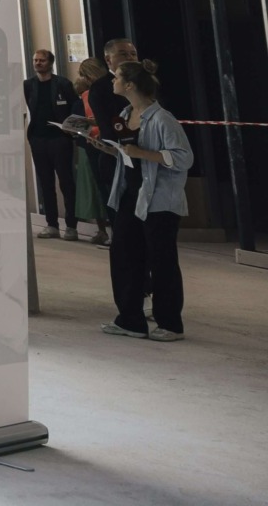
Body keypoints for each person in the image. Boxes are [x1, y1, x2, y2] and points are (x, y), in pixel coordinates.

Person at [98, 61, 193, 341]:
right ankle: (130, 319)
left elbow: (184, 158)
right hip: (131, 195)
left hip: (159, 199)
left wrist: (143, 153)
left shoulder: (163, 119)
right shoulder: (125, 114)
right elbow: (130, 154)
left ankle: (170, 323)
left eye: (116, 77)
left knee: (162, 261)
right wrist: (111, 150)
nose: (112, 81)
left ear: (129, 85)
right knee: (124, 255)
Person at [25, 48, 82, 240]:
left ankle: (72, 226)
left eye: (42, 60)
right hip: (38, 138)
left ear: (50, 63)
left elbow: (75, 106)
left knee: (66, 181)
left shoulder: (63, 84)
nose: (38, 63)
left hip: (60, 138)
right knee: (45, 182)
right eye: (35, 60)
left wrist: (71, 129)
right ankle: (51, 224)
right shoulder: (29, 85)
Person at [74, 56, 119, 246]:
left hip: (102, 145)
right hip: (118, 143)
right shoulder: (115, 84)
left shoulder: (96, 91)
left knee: (107, 190)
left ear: (88, 76)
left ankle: (118, 233)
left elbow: (105, 120)